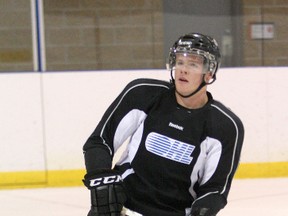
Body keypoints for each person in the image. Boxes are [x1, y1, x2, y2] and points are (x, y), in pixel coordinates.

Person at [82, 33, 244, 216]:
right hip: (124, 208)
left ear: (209, 73)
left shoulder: (225, 125)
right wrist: (102, 182)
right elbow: (99, 141)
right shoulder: (143, 94)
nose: (183, 70)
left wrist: (203, 212)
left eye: (193, 64)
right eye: (180, 62)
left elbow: (215, 190)